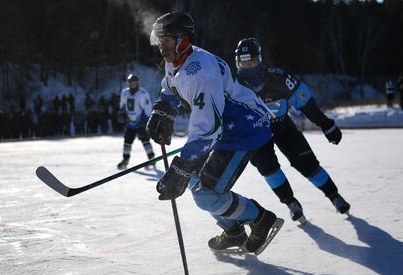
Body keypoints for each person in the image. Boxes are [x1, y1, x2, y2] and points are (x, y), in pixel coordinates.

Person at [146, 12, 283, 254]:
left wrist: (182, 167)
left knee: (206, 195)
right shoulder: (175, 58)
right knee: (198, 182)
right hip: (223, 127)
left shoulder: (201, 72)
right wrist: (164, 110)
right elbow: (170, 85)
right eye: (159, 41)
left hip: (244, 129)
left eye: (165, 40)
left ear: (182, 39)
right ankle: (234, 231)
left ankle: (262, 219)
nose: (161, 47)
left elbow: (207, 129)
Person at [234, 37, 350, 223]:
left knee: (307, 163)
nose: (248, 66)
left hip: (283, 127)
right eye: (243, 62)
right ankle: (291, 203)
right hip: (255, 135)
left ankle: (334, 196)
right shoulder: (232, 84)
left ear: (260, 60)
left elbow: (305, 102)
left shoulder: (277, 77)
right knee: (268, 168)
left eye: (252, 61)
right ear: (237, 62)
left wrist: (326, 124)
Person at [117, 74, 155, 169]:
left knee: (145, 140)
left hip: (141, 121)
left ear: (138, 82)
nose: (133, 84)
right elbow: (122, 105)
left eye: (134, 82)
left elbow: (148, 108)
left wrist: (145, 121)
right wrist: (121, 114)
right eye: (131, 82)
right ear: (129, 83)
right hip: (130, 122)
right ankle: (125, 159)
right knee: (127, 141)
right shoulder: (124, 93)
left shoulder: (143, 93)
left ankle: (152, 158)